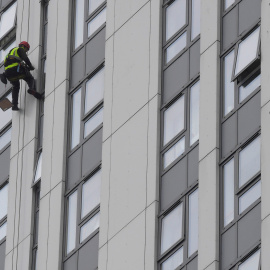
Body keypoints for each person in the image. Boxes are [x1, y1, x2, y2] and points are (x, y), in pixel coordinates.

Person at [0, 41, 42, 111]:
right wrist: (30, 66)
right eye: (27, 49)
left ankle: (14, 105)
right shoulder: (20, 49)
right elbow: (26, 58)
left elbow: (11, 64)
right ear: (24, 46)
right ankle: (32, 89)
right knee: (30, 78)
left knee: (15, 87)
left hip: (9, 74)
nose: (26, 51)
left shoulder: (9, 55)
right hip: (17, 70)